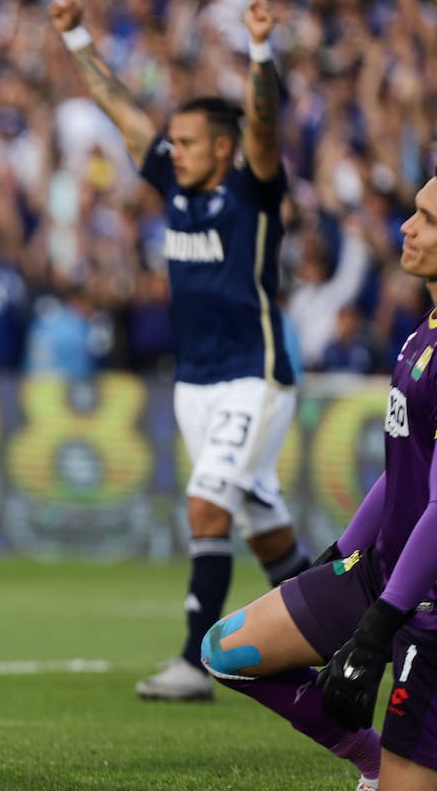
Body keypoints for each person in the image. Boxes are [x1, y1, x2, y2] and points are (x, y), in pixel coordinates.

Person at [49, 0, 311, 701]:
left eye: (189, 142)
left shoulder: (252, 189)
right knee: (266, 531)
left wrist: (260, 51)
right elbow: (121, 109)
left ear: (223, 148)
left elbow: (263, 126)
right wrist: (76, 37)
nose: (176, 150)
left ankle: (195, 662)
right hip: (195, 382)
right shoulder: (173, 180)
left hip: (253, 375)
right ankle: (338, 635)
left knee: (205, 504)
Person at [200, 175, 437, 791]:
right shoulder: (424, 328)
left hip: (424, 599)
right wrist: (343, 549)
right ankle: (372, 761)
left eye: (428, 219)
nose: (407, 227)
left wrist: (379, 626)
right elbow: (405, 466)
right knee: (228, 650)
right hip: (380, 569)